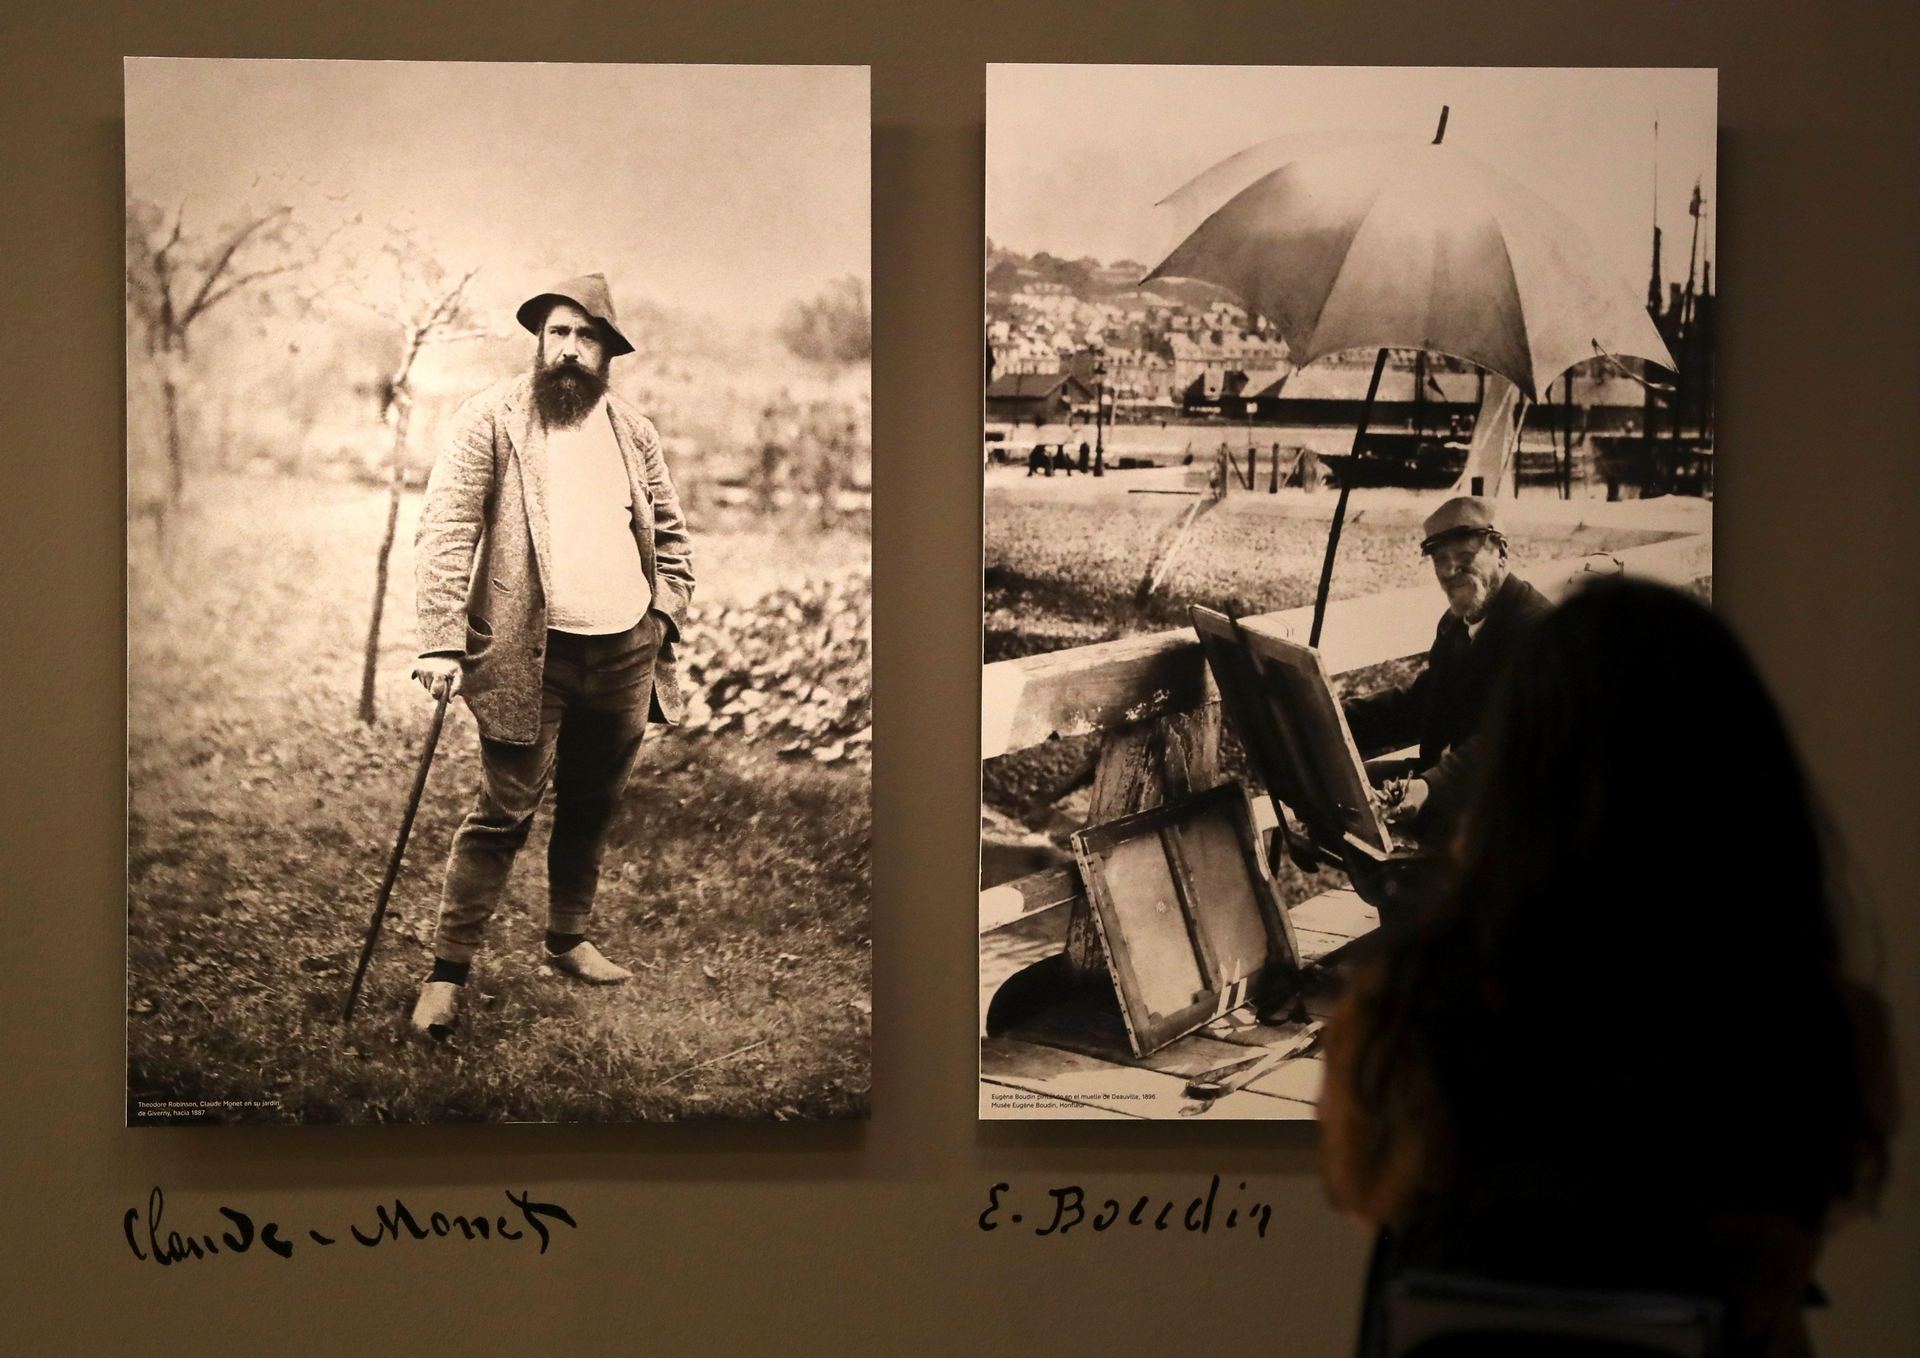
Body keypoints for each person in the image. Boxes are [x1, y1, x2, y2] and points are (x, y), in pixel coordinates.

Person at [1320, 580, 1897, 1358]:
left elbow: (1365, 1190)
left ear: (1513, 776)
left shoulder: (1408, 1006)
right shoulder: (1819, 1020)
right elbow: (1797, 1238)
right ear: (1745, 774)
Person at [406, 273, 695, 1036]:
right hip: (528, 656)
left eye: (586, 336)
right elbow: (445, 530)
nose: (569, 349)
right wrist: (441, 641)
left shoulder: (633, 432)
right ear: (540, 340)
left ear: (608, 352)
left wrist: (663, 615)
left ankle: (567, 940)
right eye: (558, 332)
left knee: (594, 803)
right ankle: (446, 973)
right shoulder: (491, 419)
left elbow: (671, 539)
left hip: (626, 650)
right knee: (503, 812)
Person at [1340, 495, 1550, 831]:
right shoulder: (1454, 626)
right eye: (1441, 560)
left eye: (1466, 557)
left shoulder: (1537, 629)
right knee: (1340, 789)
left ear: (1501, 553)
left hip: (1512, 809)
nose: (1451, 571)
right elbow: (1423, 704)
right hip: (1450, 785)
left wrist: (1430, 786)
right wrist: (1335, 718)